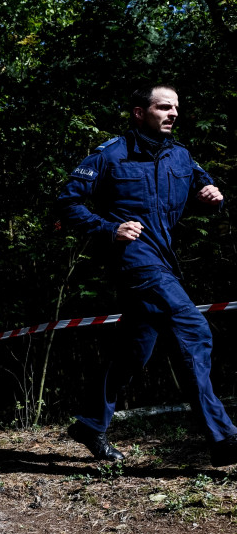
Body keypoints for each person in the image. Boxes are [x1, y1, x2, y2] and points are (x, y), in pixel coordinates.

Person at [56, 84, 237, 466]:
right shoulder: (110, 154)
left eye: (176, 107)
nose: (174, 113)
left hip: (165, 259)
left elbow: (204, 192)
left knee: (135, 349)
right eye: (164, 107)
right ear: (140, 112)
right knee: (193, 329)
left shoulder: (181, 156)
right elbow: (67, 202)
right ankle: (224, 439)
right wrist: (109, 229)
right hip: (133, 260)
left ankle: (90, 424)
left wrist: (212, 198)